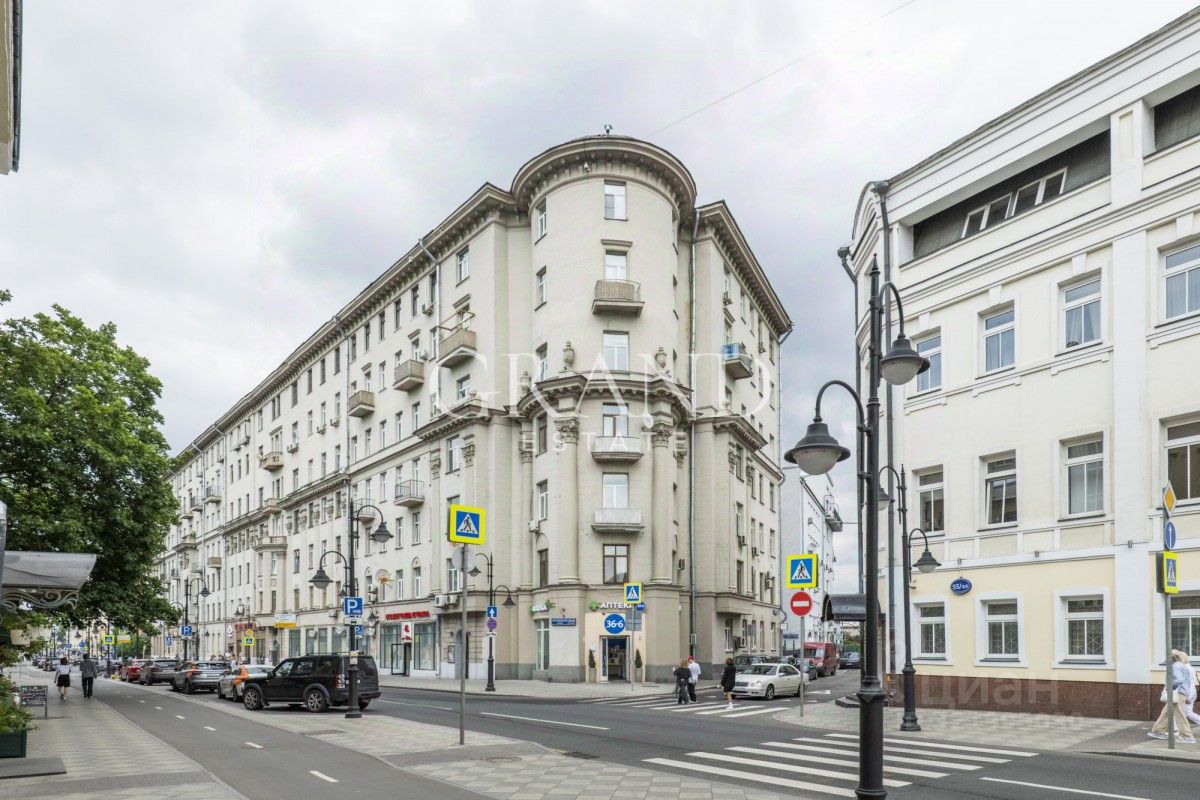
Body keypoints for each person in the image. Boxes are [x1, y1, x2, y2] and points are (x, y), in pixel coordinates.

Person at [1150, 649, 1195, 743]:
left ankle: (1187, 736)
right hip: (1180, 693)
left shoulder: (1176, 666)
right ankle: (1158, 731)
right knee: (1166, 712)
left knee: (1180, 715)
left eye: (1167, 656)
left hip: (1178, 693)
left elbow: (1179, 679)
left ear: (1172, 657)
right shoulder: (1181, 665)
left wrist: (1169, 686)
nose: (1166, 658)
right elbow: (1187, 681)